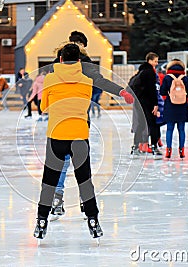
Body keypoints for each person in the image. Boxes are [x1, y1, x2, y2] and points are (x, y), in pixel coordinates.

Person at [48, 30, 134, 220]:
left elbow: (47, 92)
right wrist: (121, 92)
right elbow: (101, 82)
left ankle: (58, 199)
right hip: (78, 120)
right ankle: (83, 201)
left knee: (61, 161)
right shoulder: (85, 65)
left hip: (58, 121)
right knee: (80, 162)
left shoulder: (57, 64)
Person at [33, 43, 102, 240]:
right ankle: (93, 220)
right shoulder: (87, 81)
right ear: (79, 61)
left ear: (61, 59)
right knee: (85, 181)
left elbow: (44, 106)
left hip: (57, 135)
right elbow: (85, 105)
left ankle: (41, 221)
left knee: (49, 181)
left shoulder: (50, 79)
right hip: (79, 135)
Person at [160, 59, 188, 159]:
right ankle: (181, 151)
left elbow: (162, 92)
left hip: (170, 106)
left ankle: (168, 151)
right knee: (181, 129)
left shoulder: (167, 78)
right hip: (182, 106)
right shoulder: (185, 78)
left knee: (170, 129)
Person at [130, 52, 160, 157]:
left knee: (141, 124)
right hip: (147, 102)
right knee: (153, 123)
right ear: (150, 60)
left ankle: (135, 146)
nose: (156, 63)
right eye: (155, 61)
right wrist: (155, 104)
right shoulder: (149, 72)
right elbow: (151, 90)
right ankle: (154, 146)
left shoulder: (140, 71)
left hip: (139, 102)